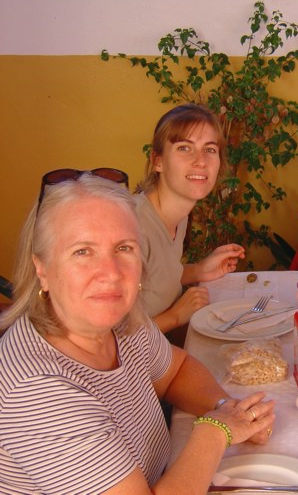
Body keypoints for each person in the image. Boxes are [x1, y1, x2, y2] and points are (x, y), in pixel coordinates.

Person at [0, 171, 275, 494]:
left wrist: (228, 409)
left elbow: (176, 371)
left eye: (124, 248)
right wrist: (216, 431)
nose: (111, 273)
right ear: (42, 269)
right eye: (82, 251)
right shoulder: (36, 392)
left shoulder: (119, 321)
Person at [135, 104, 245, 342]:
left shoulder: (179, 215)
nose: (200, 161)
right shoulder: (133, 228)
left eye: (210, 149)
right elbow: (105, 339)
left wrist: (200, 270)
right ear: (157, 161)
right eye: (184, 148)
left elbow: (154, 279)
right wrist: (175, 316)